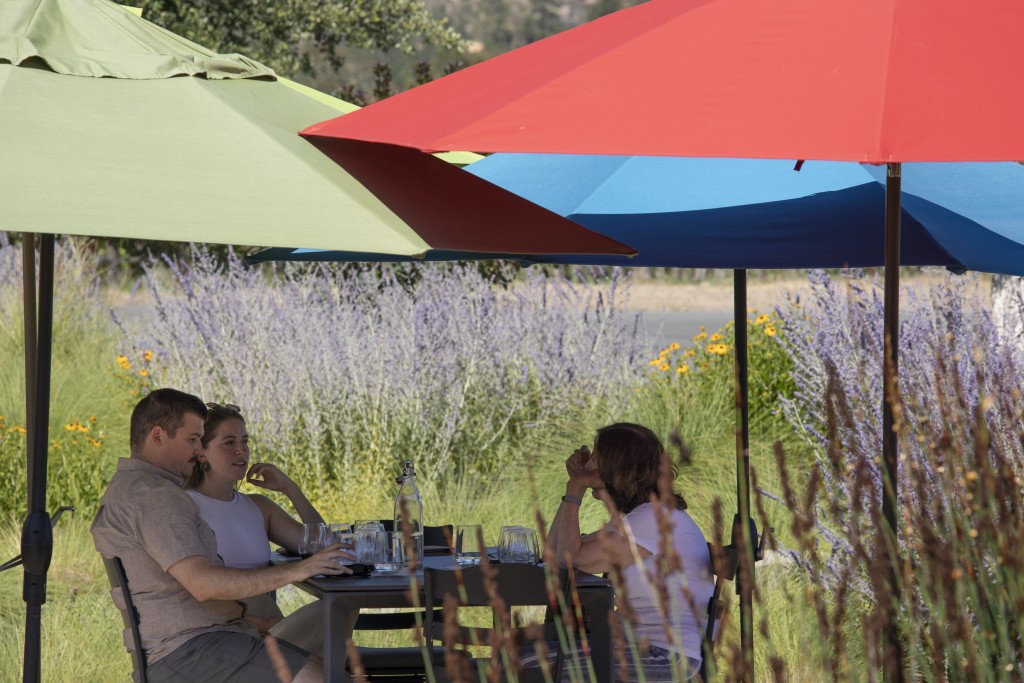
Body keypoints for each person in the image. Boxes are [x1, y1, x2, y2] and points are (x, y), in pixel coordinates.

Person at [91, 388, 352, 682]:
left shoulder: (137, 488)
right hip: (190, 650)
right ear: (158, 436)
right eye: (192, 440)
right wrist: (298, 570)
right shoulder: (157, 497)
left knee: (329, 657)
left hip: (204, 641)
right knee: (322, 676)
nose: (197, 450)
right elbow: (202, 584)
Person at [545, 422, 714, 681]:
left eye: (596, 460)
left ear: (616, 470)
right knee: (519, 658)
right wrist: (573, 487)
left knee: (531, 666)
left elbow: (571, 558)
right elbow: (555, 551)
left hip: (668, 659)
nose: (590, 465)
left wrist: (576, 488)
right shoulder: (640, 518)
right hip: (635, 646)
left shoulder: (653, 519)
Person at [184, 402, 324, 648]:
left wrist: (290, 488)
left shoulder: (259, 507)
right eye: (229, 442)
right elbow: (187, 593)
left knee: (339, 611)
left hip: (271, 630)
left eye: (245, 441)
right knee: (333, 636)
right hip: (224, 633)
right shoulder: (185, 507)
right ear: (201, 452)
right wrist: (258, 624)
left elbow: (320, 545)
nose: (242, 451)